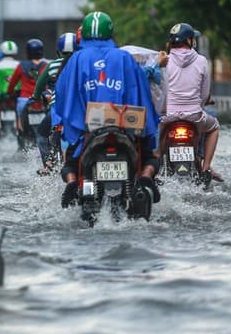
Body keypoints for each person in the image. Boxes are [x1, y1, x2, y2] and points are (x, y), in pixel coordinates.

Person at [51, 12, 160, 208]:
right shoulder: (124, 58)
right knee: (150, 157)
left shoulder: (76, 59)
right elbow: (141, 91)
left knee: (70, 163)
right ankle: (145, 177)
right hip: (124, 127)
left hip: (89, 129)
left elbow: (63, 93)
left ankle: (72, 183)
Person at [157, 22, 221, 181]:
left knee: (154, 139)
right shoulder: (202, 61)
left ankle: (154, 169)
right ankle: (206, 168)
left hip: (167, 117)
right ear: (188, 40)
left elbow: (159, 91)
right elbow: (204, 94)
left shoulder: (164, 61)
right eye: (193, 38)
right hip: (194, 116)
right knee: (214, 126)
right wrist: (200, 103)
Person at [33, 32, 78, 174]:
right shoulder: (81, 64)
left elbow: (39, 85)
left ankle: (48, 163)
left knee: (41, 134)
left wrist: (35, 96)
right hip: (79, 109)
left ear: (58, 51)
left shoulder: (52, 66)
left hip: (57, 109)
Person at [7, 38, 49, 138]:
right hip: (42, 100)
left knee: (19, 119)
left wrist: (10, 92)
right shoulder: (46, 65)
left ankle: (20, 129)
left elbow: (12, 83)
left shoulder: (21, 66)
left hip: (24, 99)